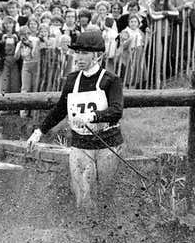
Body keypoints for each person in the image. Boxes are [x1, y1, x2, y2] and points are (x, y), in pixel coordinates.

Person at [26, 31, 124, 209]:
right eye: (76, 53)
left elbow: (116, 111)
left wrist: (92, 116)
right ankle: (86, 232)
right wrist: (39, 131)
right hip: (81, 144)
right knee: (83, 195)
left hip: (107, 144)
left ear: (97, 56)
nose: (78, 57)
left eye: (84, 53)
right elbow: (60, 109)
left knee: (107, 194)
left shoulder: (111, 80)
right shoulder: (72, 80)